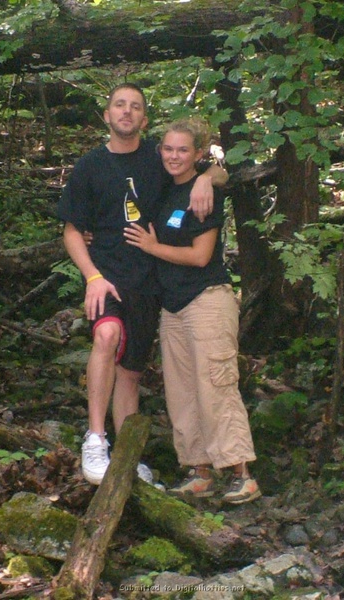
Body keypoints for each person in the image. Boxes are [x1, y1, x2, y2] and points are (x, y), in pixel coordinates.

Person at [57, 84, 227, 486]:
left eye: (135, 107)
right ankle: (95, 440)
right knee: (107, 336)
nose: (126, 112)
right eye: (119, 105)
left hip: (149, 283)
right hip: (106, 277)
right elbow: (71, 230)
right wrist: (92, 277)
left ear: (144, 119)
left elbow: (214, 167)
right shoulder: (90, 166)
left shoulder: (159, 157)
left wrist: (207, 179)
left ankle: (126, 457)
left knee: (131, 372)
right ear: (106, 115)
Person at [123, 118, 261, 505]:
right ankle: (199, 471)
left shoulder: (203, 193)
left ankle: (241, 474)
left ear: (197, 153)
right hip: (173, 305)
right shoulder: (166, 188)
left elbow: (201, 256)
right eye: (168, 149)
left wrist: (153, 247)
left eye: (183, 150)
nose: (174, 156)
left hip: (207, 299)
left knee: (216, 386)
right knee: (181, 391)